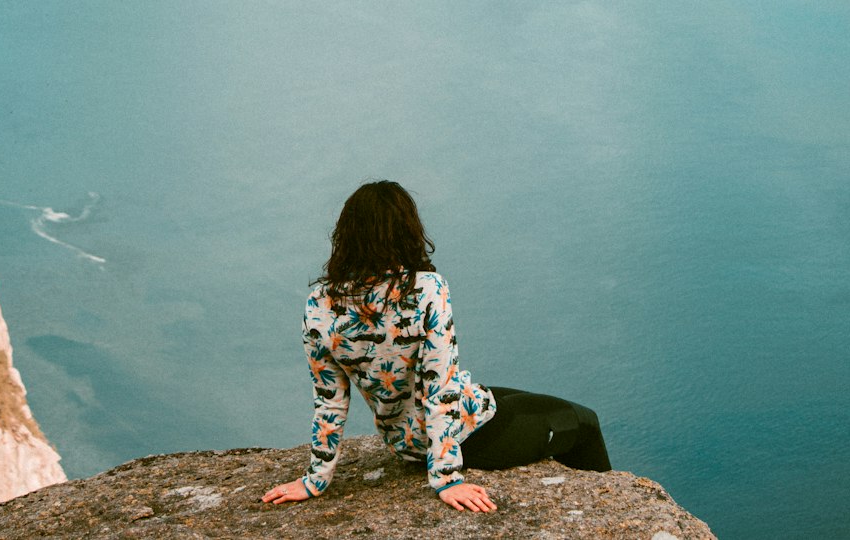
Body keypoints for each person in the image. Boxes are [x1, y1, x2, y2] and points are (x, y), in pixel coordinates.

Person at [262, 179, 611, 514]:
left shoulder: (318, 306)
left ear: (347, 236)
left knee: (507, 398)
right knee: (583, 422)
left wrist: (315, 480)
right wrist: (446, 479)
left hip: (406, 442)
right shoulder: (426, 289)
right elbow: (439, 389)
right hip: (466, 436)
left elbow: (330, 402)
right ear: (405, 232)